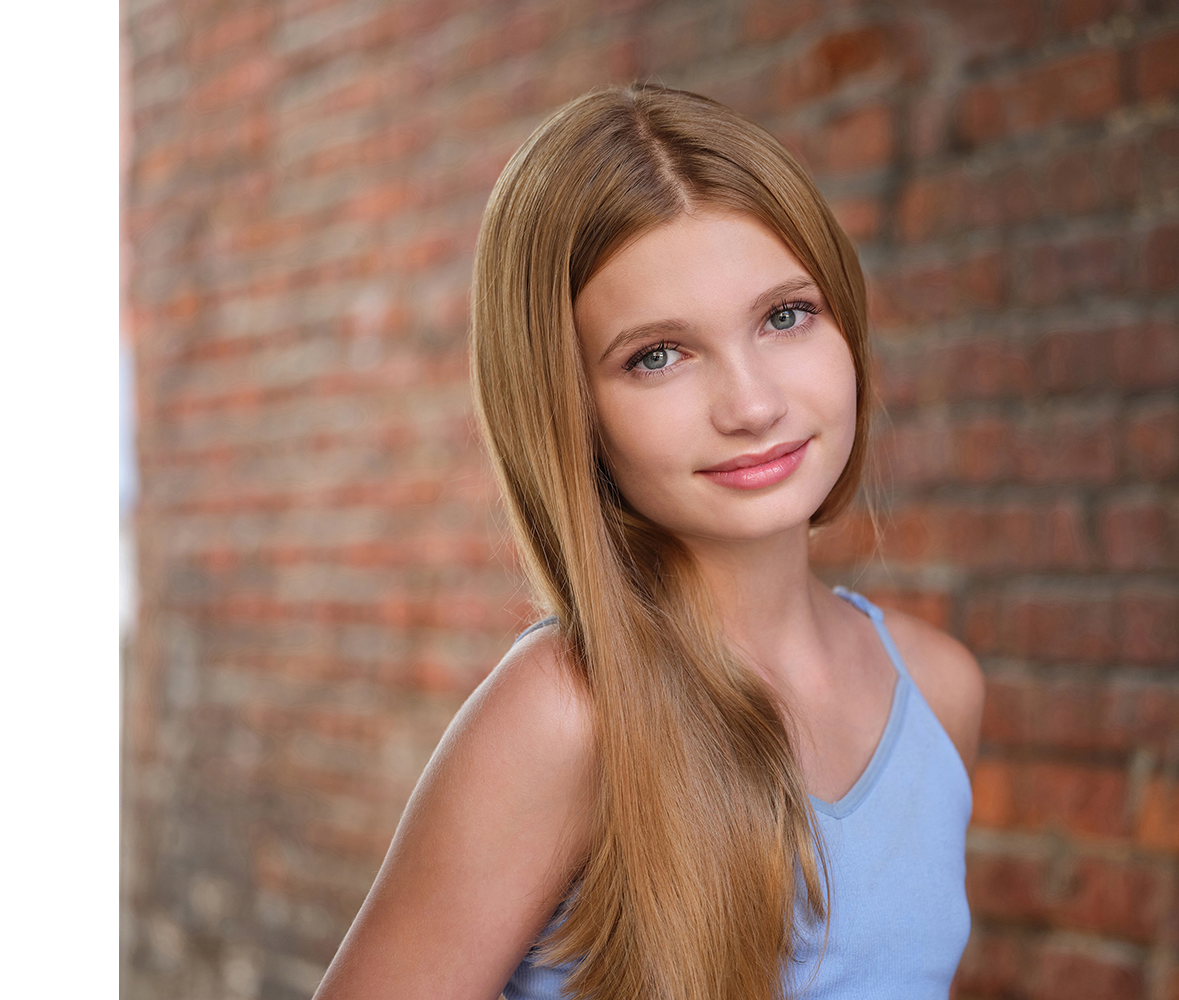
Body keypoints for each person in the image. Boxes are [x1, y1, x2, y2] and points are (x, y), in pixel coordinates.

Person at [313, 81, 984, 1000]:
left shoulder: (941, 691)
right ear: (570, 408)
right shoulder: (566, 716)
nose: (752, 405)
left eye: (785, 316)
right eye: (657, 356)